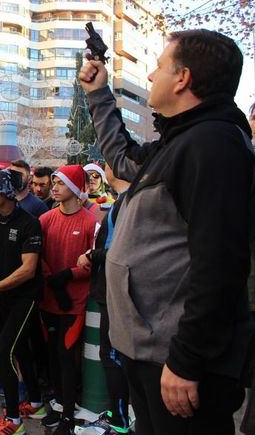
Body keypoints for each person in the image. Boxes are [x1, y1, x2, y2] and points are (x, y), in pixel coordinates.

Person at [80, 29, 252, 434]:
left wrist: (187, 359)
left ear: (183, 78)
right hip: (153, 356)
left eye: (158, 67)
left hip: (178, 364)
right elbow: (121, 159)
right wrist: (97, 94)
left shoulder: (214, 144)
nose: (152, 77)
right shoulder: (179, 141)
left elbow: (221, 265)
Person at [0, 170, 46, 435]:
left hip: (26, 296)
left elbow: (29, 269)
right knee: (21, 351)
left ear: (5, 193)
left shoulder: (29, 223)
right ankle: (37, 403)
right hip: (4, 295)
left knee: (3, 351)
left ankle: (13, 422)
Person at [38, 165, 98, 434]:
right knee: (52, 355)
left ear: (74, 188)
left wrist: (69, 276)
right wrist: (51, 277)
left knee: (66, 355)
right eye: (54, 182)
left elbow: (93, 262)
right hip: (49, 298)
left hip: (74, 301)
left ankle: (69, 417)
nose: (54, 187)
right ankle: (60, 405)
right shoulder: (46, 218)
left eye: (60, 183)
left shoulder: (89, 221)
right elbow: (36, 253)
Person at [76, 164, 132, 435]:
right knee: (109, 354)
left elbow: (120, 250)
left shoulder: (127, 202)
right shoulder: (125, 200)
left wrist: (89, 255)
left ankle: (119, 422)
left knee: (112, 355)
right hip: (106, 287)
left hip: (115, 289)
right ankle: (116, 416)